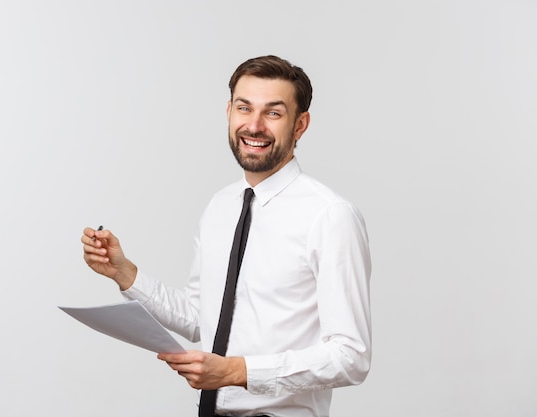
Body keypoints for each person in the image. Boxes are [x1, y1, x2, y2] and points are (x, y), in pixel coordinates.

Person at [81, 55, 372, 417]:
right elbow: (202, 319)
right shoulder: (220, 207)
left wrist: (237, 371)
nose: (254, 125)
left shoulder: (329, 217)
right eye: (244, 108)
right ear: (228, 112)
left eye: (274, 113)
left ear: (301, 125)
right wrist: (124, 274)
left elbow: (351, 357)